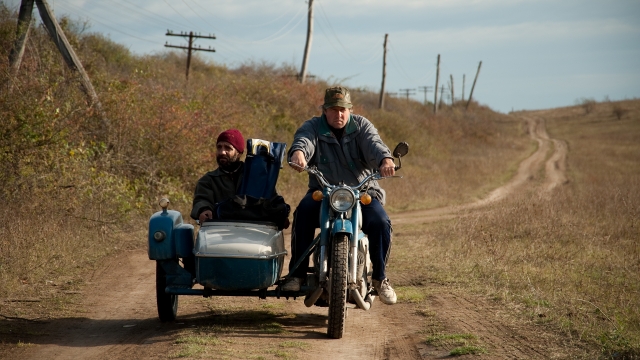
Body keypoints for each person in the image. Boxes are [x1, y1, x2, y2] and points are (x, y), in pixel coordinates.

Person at [283, 86, 397, 305]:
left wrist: (385, 159)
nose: (339, 114)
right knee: (303, 213)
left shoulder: (361, 126)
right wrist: (298, 153)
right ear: (324, 110)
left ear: (350, 110)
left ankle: (380, 278)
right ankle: (296, 274)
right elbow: (303, 141)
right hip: (323, 192)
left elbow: (374, 144)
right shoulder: (313, 127)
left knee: (381, 221)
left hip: (362, 192)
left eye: (343, 109)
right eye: (333, 109)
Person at [191, 128, 246, 223]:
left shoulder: (254, 177)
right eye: (219, 147)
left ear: (239, 153)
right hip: (217, 232)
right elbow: (201, 201)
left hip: (252, 231)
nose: (222, 152)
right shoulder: (208, 180)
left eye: (228, 148)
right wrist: (204, 210)